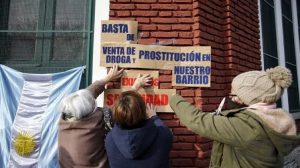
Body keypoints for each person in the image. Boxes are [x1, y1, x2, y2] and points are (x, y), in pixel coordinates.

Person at [170, 66, 300, 168]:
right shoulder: (274, 118)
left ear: (249, 97)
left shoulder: (247, 127)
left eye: (235, 93)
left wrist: (172, 97)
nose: (232, 96)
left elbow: (197, 121)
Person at [58, 65, 123, 168]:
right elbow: (122, 108)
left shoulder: (64, 120)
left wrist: (106, 79)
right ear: (90, 110)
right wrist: (134, 88)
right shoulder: (98, 122)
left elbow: (83, 98)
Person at [105, 74, 173, 168]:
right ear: (144, 111)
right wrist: (154, 117)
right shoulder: (163, 136)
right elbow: (164, 131)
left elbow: (119, 111)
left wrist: (134, 87)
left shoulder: (110, 139)